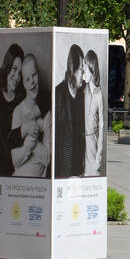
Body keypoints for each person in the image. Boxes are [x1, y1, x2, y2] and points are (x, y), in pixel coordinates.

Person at [10, 54, 51, 176]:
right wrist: (29, 142)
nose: (32, 82)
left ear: (38, 74)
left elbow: (48, 159)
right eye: (27, 79)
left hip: (38, 188)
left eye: (34, 75)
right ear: (23, 83)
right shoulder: (18, 112)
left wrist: (30, 140)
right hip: (18, 182)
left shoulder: (47, 113)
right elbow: (15, 161)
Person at [54, 44, 86, 178]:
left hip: (80, 166)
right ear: (72, 69)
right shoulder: (59, 94)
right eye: (80, 69)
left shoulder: (84, 91)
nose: (83, 74)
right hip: (64, 167)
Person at [0, 45, 25, 177]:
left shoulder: (23, 97)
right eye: (14, 69)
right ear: (7, 67)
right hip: (2, 161)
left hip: (21, 161)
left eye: (20, 72)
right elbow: (7, 135)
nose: (17, 77)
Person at [83, 48, 105, 176]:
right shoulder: (82, 91)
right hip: (81, 143)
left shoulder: (98, 94)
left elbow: (102, 126)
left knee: (92, 176)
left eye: (85, 68)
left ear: (92, 69)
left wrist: (99, 153)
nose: (83, 72)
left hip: (93, 142)